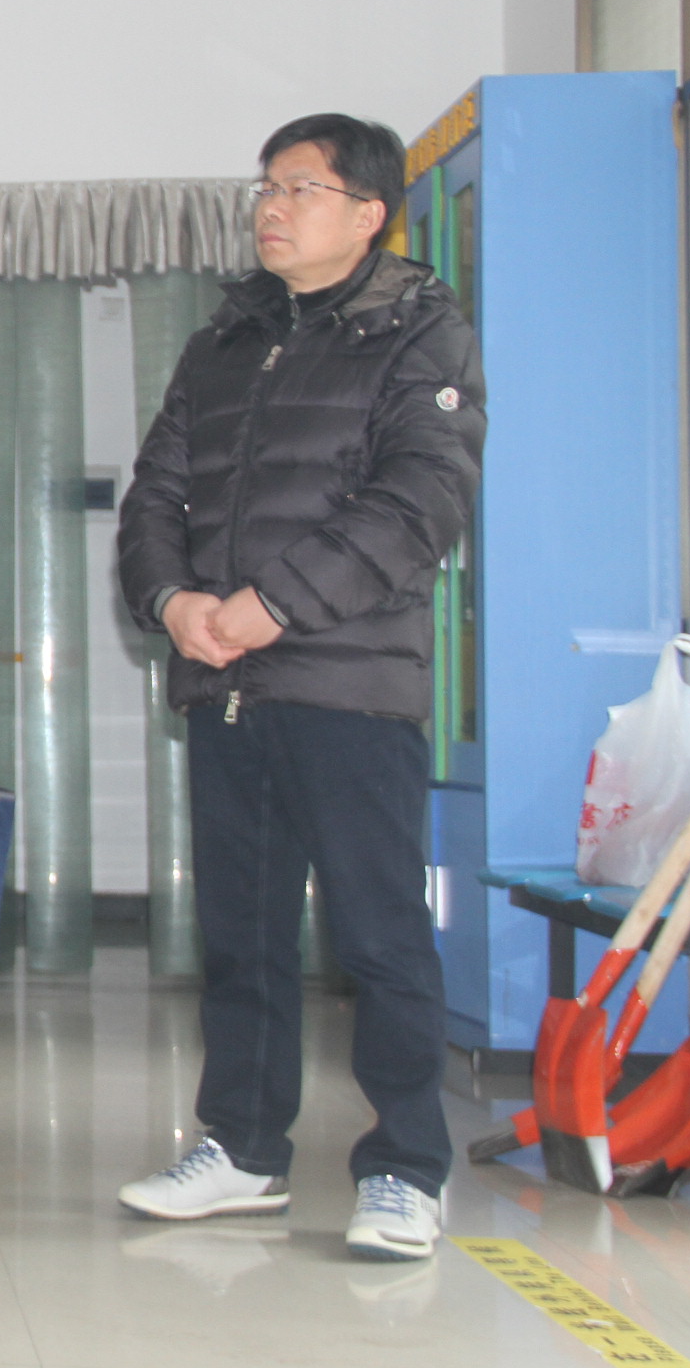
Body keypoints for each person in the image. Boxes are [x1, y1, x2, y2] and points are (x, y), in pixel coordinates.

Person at [115, 114, 482, 1262]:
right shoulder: (225, 339)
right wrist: (173, 602)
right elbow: (156, 493)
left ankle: (407, 1169)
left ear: (369, 213)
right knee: (243, 938)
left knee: (377, 936)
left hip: (347, 685)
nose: (272, 208)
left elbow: (419, 502)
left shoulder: (422, 334)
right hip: (228, 685)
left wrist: (271, 604)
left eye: (301, 188)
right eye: (267, 188)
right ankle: (242, 1149)